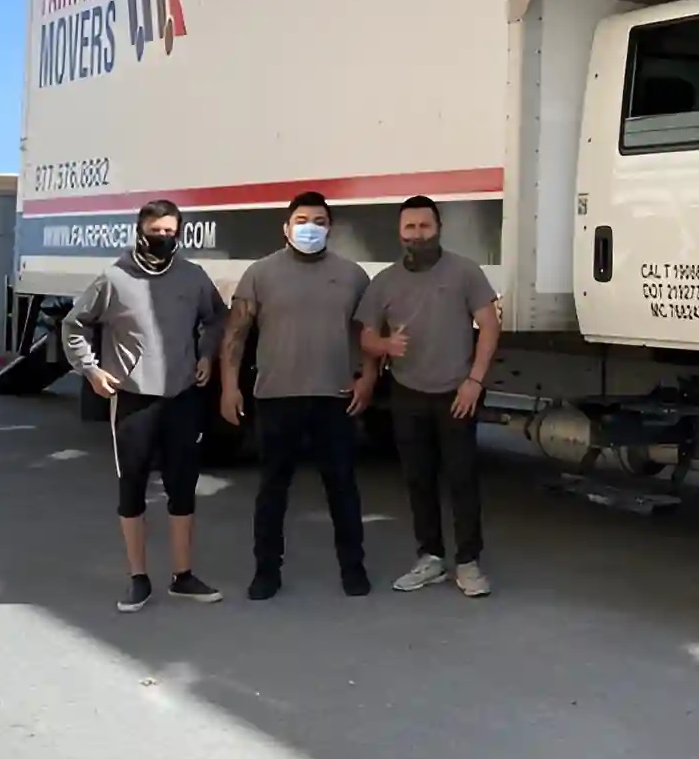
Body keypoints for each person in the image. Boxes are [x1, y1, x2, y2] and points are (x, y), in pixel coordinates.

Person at [62, 199, 227, 613]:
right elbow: (74, 324)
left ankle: (183, 576)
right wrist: (92, 371)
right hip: (133, 398)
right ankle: (138, 578)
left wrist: (207, 354)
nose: (163, 239)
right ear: (140, 231)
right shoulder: (115, 278)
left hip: (182, 395)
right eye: (156, 232)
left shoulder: (192, 276)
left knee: (182, 487)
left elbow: (216, 318)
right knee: (132, 486)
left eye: (171, 232)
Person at [221, 191, 377, 600]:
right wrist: (229, 386)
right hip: (276, 397)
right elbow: (236, 333)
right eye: (302, 221)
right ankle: (266, 572)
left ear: (330, 228)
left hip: (335, 397)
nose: (311, 228)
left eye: (320, 221)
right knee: (272, 489)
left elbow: (368, 333)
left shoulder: (352, 276)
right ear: (286, 228)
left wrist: (367, 377)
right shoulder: (260, 273)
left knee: (342, 487)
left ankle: (353, 569)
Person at [358, 195, 501, 598]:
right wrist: (384, 345)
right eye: (410, 227)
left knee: (462, 479)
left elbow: (489, 325)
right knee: (418, 479)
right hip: (407, 392)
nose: (417, 234)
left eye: (425, 226)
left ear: (438, 229)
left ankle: (468, 562)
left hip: (457, 393)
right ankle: (431, 558)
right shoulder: (384, 282)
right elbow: (366, 335)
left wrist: (474, 381)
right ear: (399, 232)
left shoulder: (465, 272)